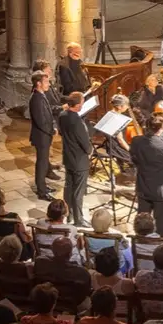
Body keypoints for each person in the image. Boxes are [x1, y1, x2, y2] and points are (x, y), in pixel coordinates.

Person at [128, 115, 163, 237]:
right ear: (161, 129)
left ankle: (141, 245)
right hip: (161, 190)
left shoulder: (136, 141)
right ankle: (159, 248)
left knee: (142, 224)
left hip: (143, 186)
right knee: (161, 225)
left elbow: (133, 158)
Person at [56, 92, 92, 226]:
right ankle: (79, 220)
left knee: (69, 187)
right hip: (79, 161)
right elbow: (84, 141)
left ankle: (69, 214)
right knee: (78, 192)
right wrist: (90, 151)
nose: (83, 106)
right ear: (77, 105)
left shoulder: (62, 115)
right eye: (82, 104)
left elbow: (61, 132)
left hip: (68, 157)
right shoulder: (76, 121)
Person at [27, 67, 59, 201]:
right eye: (46, 82)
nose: (49, 84)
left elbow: (48, 113)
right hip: (41, 137)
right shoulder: (36, 99)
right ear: (38, 83)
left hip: (45, 136)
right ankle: (41, 191)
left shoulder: (41, 95)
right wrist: (52, 130)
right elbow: (41, 121)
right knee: (41, 164)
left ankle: (43, 187)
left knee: (44, 162)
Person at [33, 235, 92, 303]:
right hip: (70, 304)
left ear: (52, 250)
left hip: (45, 301)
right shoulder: (81, 272)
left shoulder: (40, 263)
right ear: (70, 253)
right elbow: (85, 293)